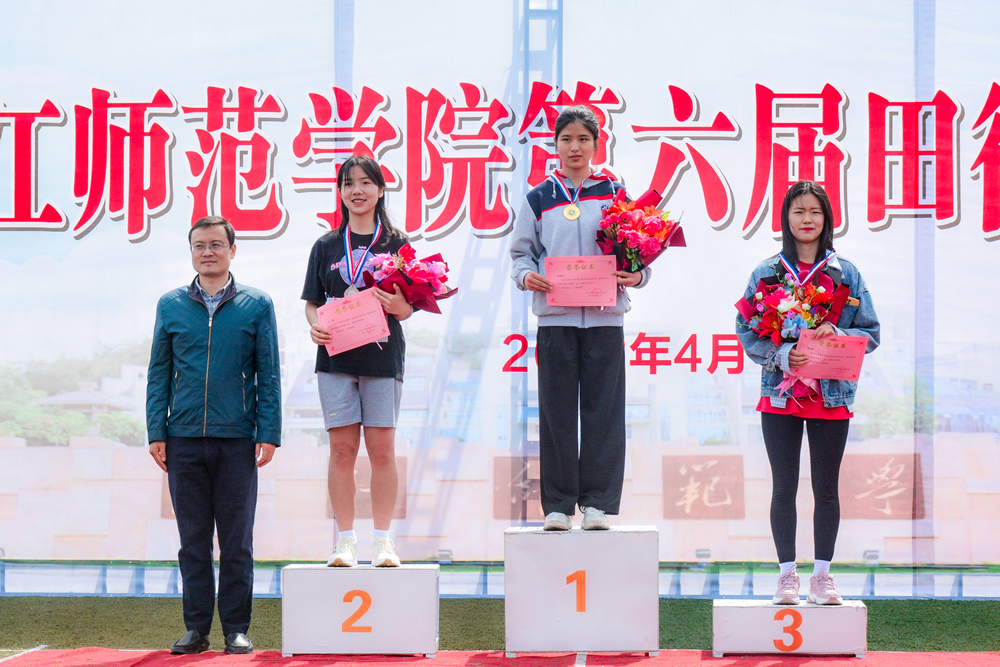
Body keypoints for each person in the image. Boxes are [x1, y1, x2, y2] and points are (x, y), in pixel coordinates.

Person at [736, 180, 880, 606]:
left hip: (830, 397)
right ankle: (787, 577)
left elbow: (871, 333)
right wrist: (781, 355)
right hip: (780, 395)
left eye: (815, 212)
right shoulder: (767, 273)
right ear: (786, 218)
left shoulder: (846, 274)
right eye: (798, 211)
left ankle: (822, 578)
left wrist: (836, 333)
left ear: (827, 219)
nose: (807, 219)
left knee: (827, 489)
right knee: (783, 487)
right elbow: (745, 330)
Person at [510, 105, 650, 531]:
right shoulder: (539, 197)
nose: (575, 147)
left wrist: (638, 275)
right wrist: (526, 276)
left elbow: (639, 250)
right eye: (566, 139)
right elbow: (520, 254)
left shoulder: (615, 193)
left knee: (603, 413)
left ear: (596, 144)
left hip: (606, 320)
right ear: (554, 145)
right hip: (555, 320)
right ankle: (557, 506)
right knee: (556, 414)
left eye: (583, 139)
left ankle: (597, 505)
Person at [146, 216, 281, 655]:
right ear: (191, 252)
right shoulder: (170, 305)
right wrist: (156, 430)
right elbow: (159, 373)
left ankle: (236, 629)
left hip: (237, 439)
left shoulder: (256, 304)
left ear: (232, 250)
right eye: (200, 245)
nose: (208, 252)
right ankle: (196, 629)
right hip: (182, 439)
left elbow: (268, 374)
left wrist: (268, 432)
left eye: (216, 244)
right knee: (193, 542)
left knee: (237, 541)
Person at [302, 155, 413, 568]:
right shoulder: (326, 245)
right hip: (335, 358)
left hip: (382, 358)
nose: (357, 191)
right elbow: (312, 303)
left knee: (382, 451)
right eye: (348, 183)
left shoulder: (397, 244)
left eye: (366, 182)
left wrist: (401, 306)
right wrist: (315, 325)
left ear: (380, 190)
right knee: (342, 450)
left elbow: (409, 306)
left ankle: (382, 542)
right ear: (341, 192)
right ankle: (345, 542)